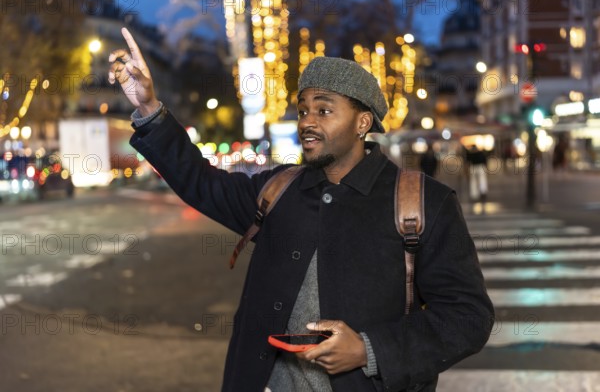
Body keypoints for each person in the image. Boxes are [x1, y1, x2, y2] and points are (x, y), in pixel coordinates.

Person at [109, 27, 494, 392]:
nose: (307, 121)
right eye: (303, 109)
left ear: (363, 123)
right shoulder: (279, 189)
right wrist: (149, 107)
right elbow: (200, 182)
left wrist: (369, 349)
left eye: (324, 111)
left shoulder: (422, 203)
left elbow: (467, 317)